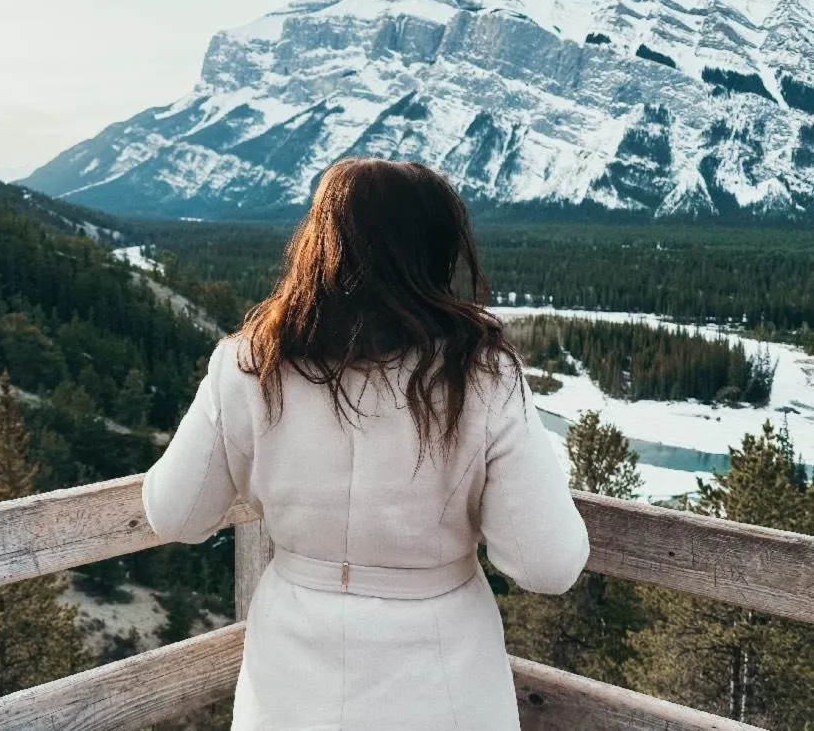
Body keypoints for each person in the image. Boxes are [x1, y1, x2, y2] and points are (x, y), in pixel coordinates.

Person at [142, 158, 590, 730]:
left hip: (288, 680)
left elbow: (174, 513)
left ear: (318, 242)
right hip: (440, 679)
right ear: (437, 250)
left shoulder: (251, 362)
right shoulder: (481, 375)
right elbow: (546, 563)